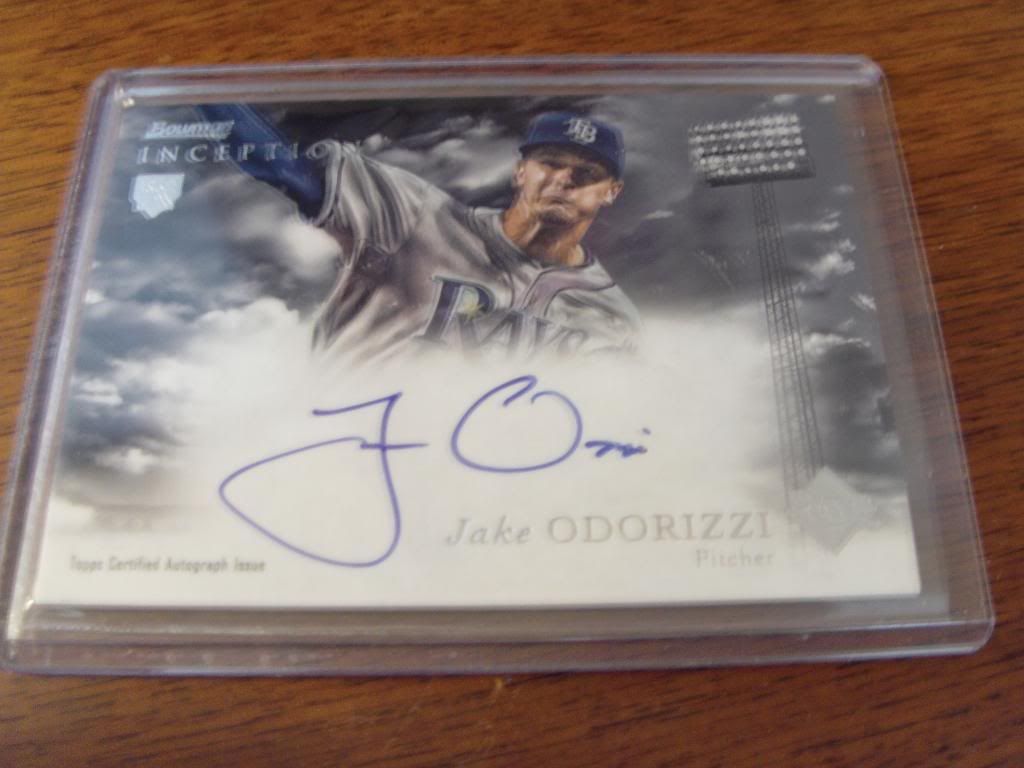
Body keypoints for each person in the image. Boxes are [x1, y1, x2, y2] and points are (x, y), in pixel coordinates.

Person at [203, 107, 642, 362]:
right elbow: (284, 169)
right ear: (520, 171)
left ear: (612, 192)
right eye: (550, 162)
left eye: (587, 173)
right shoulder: (415, 214)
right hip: (335, 445)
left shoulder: (613, 318)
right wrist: (203, 87)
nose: (564, 179)